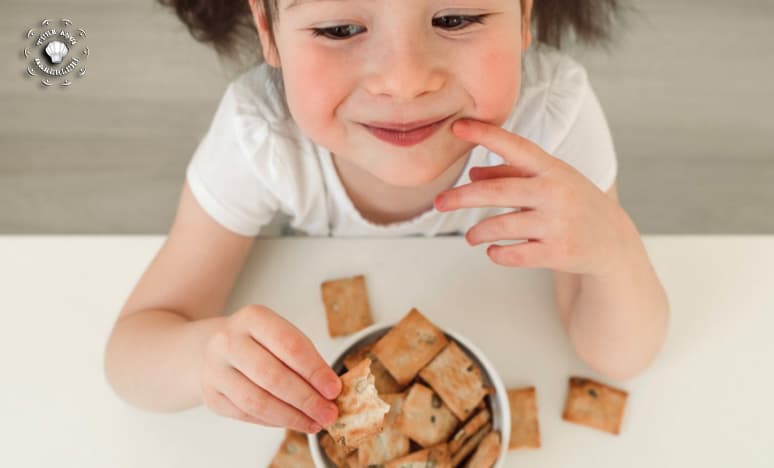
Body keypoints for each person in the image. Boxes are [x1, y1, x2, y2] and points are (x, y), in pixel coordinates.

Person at [104, 0, 669, 436]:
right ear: (269, 28)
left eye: (453, 17)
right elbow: (131, 354)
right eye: (340, 29)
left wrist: (618, 252)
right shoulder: (258, 137)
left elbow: (618, 354)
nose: (404, 81)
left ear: (524, 13)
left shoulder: (553, 120)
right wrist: (199, 360)